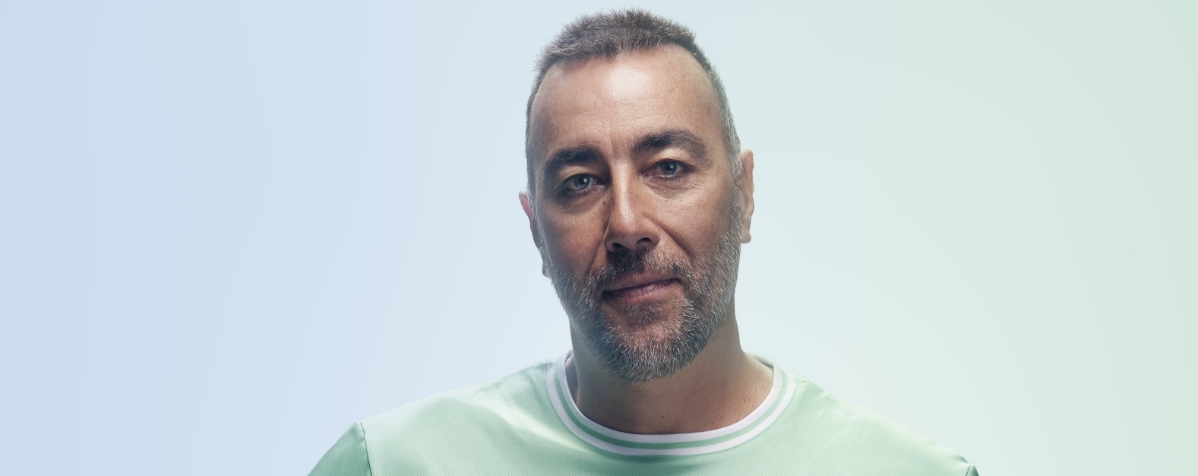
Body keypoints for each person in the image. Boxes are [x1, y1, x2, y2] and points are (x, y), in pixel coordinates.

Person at [310, 10, 977, 475]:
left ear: (744, 195)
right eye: (579, 182)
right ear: (535, 231)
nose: (627, 224)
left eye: (668, 169)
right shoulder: (394, 465)